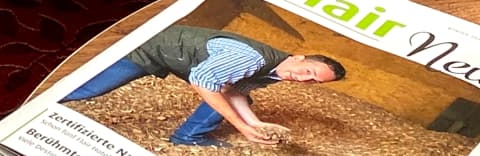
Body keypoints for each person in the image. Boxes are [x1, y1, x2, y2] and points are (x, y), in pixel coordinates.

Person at [62, 25, 346, 147]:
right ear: (298, 57)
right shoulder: (253, 58)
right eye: (308, 71)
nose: (304, 79)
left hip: (181, 60)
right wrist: (241, 127)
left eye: (313, 81)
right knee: (89, 90)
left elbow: (234, 92)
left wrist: (256, 124)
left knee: (237, 100)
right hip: (152, 47)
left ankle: (188, 136)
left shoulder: (275, 72)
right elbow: (204, 82)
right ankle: (45, 101)